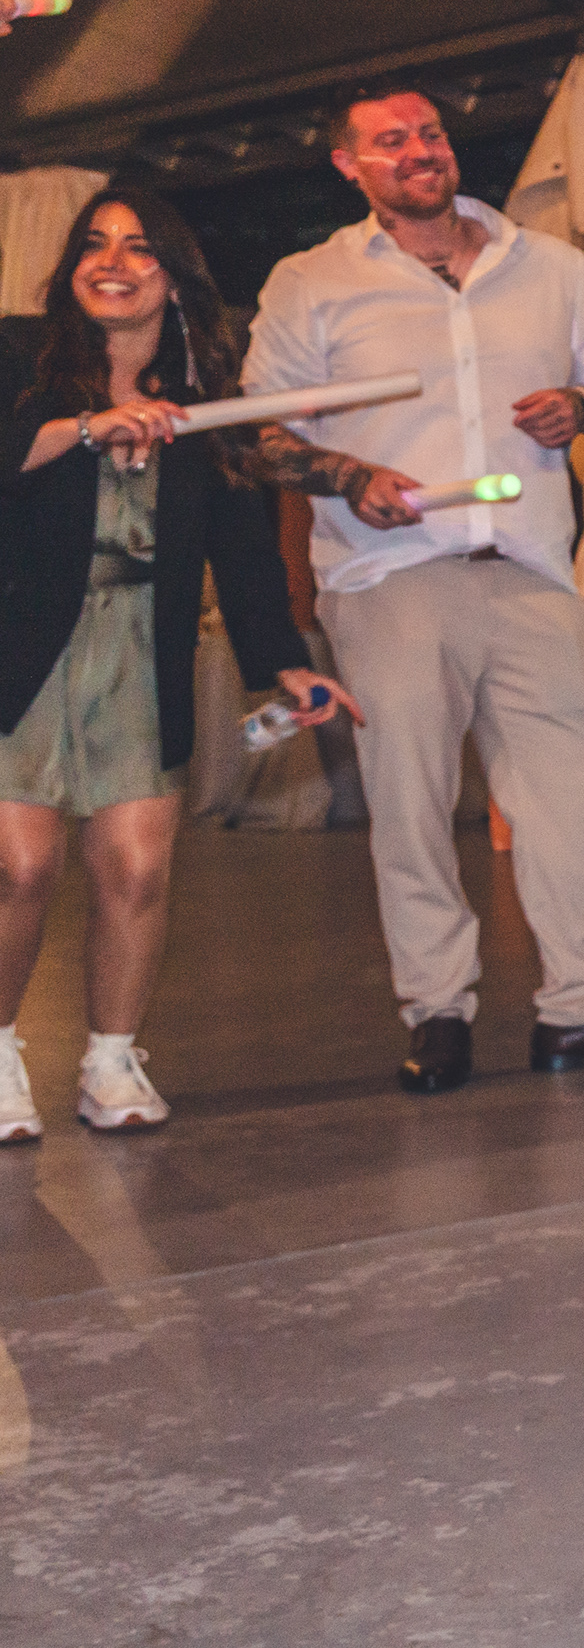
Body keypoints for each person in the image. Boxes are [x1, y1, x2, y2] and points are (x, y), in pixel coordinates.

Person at [247, 87, 584, 1096]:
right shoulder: (312, 281)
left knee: (573, 787)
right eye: (392, 140)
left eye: (431, 133)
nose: (421, 149)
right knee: (411, 799)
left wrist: (581, 406)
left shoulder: (549, 267)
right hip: (390, 575)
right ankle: (438, 1010)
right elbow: (265, 438)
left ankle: (579, 1009)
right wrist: (350, 475)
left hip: (531, 567)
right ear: (349, 166)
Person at [0, 190, 355, 1144]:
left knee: (136, 867)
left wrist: (285, 663)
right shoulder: (19, 355)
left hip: (139, 646)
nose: (112, 262)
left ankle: (112, 1058)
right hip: (21, 642)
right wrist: (91, 427)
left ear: (176, 275)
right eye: (95, 243)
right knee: (18, 866)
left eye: (140, 247)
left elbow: (240, 541)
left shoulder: (205, 396)